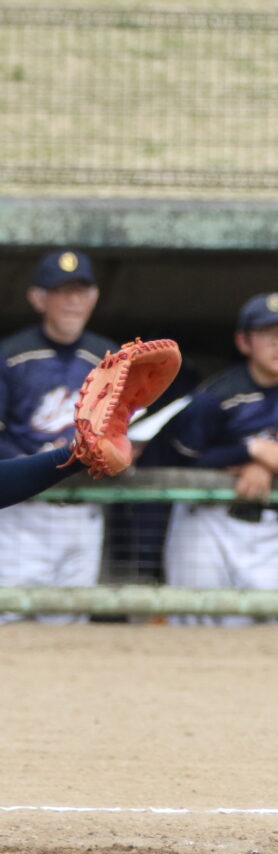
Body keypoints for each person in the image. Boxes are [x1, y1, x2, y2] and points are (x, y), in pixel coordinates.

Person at [163, 293, 278, 626]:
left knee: (260, 624)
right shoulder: (216, 394)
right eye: (268, 334)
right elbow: (185, 458)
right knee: (196, 622)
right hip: (208, 522)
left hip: (269, 521)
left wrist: (270, 464)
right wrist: (249, 452)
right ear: (244, 341)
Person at [0, 250, 112, 624]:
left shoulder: (109, 358)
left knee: (70, 628)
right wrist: (39, 457)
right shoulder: (11, 356)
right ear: (37, 298)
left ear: (94, 297)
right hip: (23, 511)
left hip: (84, 508)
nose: (73, 301)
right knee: (9, 619)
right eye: (61, 291)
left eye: (81, 291)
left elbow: (124, 424)